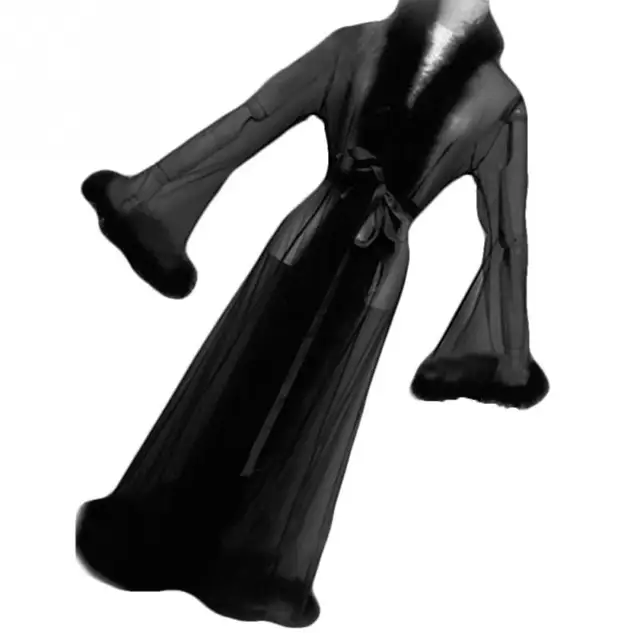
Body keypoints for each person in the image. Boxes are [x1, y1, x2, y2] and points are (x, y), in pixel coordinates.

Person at [76, 0, 549, 628]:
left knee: (308, 393)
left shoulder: (496, 102)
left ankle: (238, 549)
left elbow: (507, 236)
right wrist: (150, 194)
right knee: (250, 371)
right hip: (320, 243)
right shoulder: (361, 49)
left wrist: (504, 353)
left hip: (369, 263)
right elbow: (255, 117)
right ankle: (191, 527)